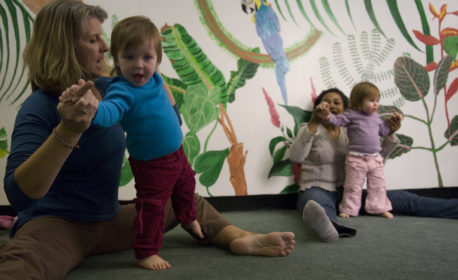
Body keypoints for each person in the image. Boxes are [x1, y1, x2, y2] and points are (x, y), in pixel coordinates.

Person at [0, 1, 295, 279]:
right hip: (57, 225)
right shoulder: (38, 107)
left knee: (182, 197)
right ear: (63, 46)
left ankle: (238, 238)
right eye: (93, 40)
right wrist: (67, 129)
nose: (105, 47)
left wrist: (154, 79)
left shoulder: (112, 86)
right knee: (19, 265)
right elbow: (19, 195)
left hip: (109, 220)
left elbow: (170, 120)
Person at [60, 15, 200, 270]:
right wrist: (94, 109)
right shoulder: (122, 89)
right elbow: (111, 111)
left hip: (177, 152)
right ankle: (146, 251)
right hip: (152, 163)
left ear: (157, 60)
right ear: (116, 59)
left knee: (187, 183)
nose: (138, 65)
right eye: (129, 57)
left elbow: (164, 93)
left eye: (147, 58)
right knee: (153, 207)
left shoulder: (155, 77)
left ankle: (188, 217)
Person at [290, 87, 458, 243]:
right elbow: (296, 156)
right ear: (318, 108)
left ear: (346, 110)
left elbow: (376, 160)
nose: (331, 105)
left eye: (336, 102)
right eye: (327, 102)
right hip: (316, 188)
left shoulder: (352, 131)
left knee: (407, 200)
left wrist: (389, 134)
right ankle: (330, 229)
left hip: (348, 192)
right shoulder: (308, 129)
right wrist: (314, 123)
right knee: (316, 204)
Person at [316, 82, 401, 219]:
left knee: (378, 186)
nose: (376, 104)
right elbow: (338, 121)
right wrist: (327, 115)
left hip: (375, 159)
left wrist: (393, 122)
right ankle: (349, 209)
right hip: (356, 159)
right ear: (359, 102)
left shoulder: (376, 118)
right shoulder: (351, 115)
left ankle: (379, 208)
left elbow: (383, 131)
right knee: (353, 186)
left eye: (377, 101)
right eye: (371, 100)